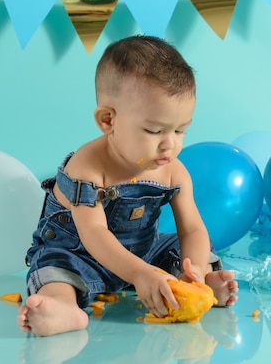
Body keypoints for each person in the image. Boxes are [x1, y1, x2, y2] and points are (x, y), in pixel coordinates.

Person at [17, 35, 238, 337]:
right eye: (154, 130)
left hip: (143, 255)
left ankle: (196, 286)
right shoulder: (88, 167)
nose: (169, 144)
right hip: (83, 253)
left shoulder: (173, 171)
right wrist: (141, 274)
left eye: (180, 130)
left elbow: (193, 229)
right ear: (108, 120)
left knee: (181, 246)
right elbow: (94, 233)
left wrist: (195, 268)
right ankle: (64, 308)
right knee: (54, 267)